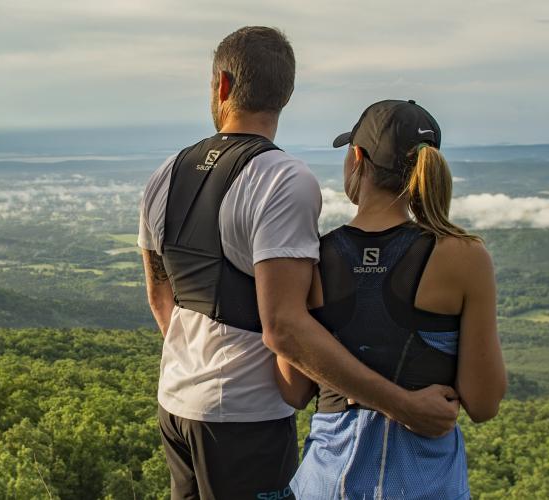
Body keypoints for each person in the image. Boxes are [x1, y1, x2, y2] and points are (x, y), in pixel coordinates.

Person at [138, 27, 465, 500]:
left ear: (222, 86)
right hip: (245, 417)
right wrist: (404, 406)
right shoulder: (282, 179)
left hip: (175, 403)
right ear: (286, 94)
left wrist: (195, 363)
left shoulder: (164, 173)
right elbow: (285, 329)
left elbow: (159, 294)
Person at [275, 99, 507, 500]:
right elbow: (484, 403)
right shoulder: (463, 257)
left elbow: (293, 391)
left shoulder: (314, 257)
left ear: (356, 159)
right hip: (426, 484)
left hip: (329, 482)